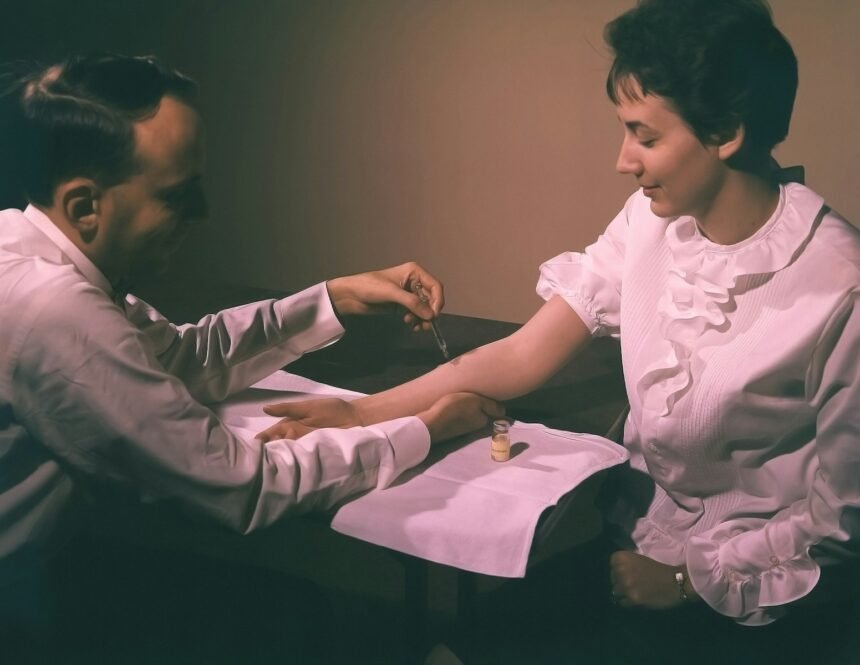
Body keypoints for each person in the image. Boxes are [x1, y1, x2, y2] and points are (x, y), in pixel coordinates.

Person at [261, 1, 860, 662]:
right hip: (630, 548)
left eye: (644, 135)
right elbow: (521, 354)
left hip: (754, 598)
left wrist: (692, 581)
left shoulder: (841, 288)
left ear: (726, 134)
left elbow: (842, 530)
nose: (622, 160)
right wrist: (358, 412)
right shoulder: (650, 222)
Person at [0, 53, 503, 664]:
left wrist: (335, 297)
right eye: (179, 194)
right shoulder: (53, 311)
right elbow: (243, 486)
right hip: (18, 616)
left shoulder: (26, 251)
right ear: (84, 207)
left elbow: (176, 358)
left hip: (41, 573)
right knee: (294, 616)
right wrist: (424, 428)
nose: (203, 213)